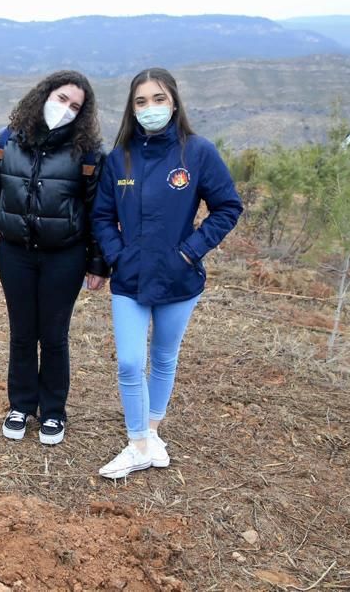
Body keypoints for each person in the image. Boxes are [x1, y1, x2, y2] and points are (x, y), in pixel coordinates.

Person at [91, 68, 243, 479]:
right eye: (141, 102)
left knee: (162, 357)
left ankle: (151, 433)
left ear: (174, 102)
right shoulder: (119, 157)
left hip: (179, 278)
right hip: (130, 278)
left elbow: (228, 206)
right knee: (128, 362)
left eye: (158, 99)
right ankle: (138, 442)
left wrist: (190, 252)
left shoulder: (197, 153)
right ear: (131, 108)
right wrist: (117, 256)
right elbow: (102, 215)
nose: (150, 108)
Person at [0, 70, 109, 446]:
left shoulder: (88, 155)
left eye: (75, 106)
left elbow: (100, 211)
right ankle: (20, 405)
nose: (65, 109)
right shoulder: (4, 142)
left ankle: (52, 411)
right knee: (22, 332)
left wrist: (98, 263)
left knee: (53, 335)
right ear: (44, 95)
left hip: (64, 257)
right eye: (61, 98)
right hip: (15, 253)